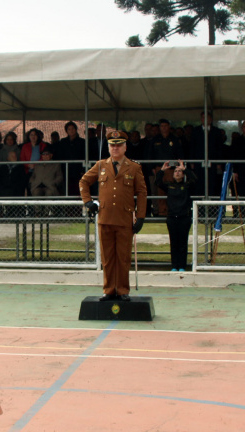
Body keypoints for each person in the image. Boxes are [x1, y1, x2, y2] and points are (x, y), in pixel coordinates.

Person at [79, 131, 147, 301]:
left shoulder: (134, 167)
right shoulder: (101, 165)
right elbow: (84, 182)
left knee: (123, 258)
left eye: (119, 145)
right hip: (105, 218)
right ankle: (109, 289)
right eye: (112, 145)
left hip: (124, 219)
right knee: (108, 258)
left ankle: (123, 290)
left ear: (125, 147)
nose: (115, 148)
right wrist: (87, 201)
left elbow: (142, 192)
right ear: (108, 147)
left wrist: (141, 216)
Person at [158, 160, 195, 271]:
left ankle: (182, 266)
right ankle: (174, 266)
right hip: (172, 218)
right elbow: (158, 182)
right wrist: (162, 170)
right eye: (175, 171)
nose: (177, 173)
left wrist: (185, 169)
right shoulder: (169, 186)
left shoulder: (187, 186)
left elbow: (195, 180)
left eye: (179, 171)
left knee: (183, 243)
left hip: (184, 217)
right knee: (174, 243)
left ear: (183, 174)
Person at [56, 121, 86, 196]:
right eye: (69, 129)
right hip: (66, 170)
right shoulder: (63, 142)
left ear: (76, 130)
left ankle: (77, 207)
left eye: (72, 128)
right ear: (66, 131)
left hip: (78, 170)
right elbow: (60, 155)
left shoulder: (82, 142)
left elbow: (84, 155)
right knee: (67, 189)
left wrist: (83, 169)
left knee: (78, 188)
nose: (71, 130)